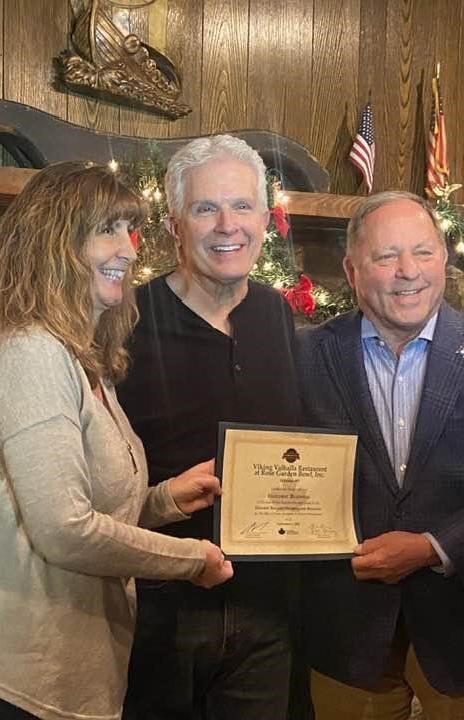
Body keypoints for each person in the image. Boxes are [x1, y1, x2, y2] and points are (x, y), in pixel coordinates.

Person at [0, 161, 233, 720]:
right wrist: (191, 559)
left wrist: (164, 501)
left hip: (67, 680)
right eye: (107, 229)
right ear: (53, 243)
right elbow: (64, 530)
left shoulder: (86, 364)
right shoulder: (30, 351)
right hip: (5, 683)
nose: (129, 250)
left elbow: (82, 506)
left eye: (130, 231)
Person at [296, 191, 464, 719]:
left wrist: (430, 548)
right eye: (386, 255)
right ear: (352, 270)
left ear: (443, 258)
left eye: (422, 252)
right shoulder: (303, 354)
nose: (408, 271)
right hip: (346, 636)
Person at [117, 135, 303, 720]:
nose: (228, 226)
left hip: (265, 613)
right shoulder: (125, 319)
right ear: (175, 226)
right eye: (206, 209)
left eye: (242, 206)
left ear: (265, 220)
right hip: (156, 610)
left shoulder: (276, 313)